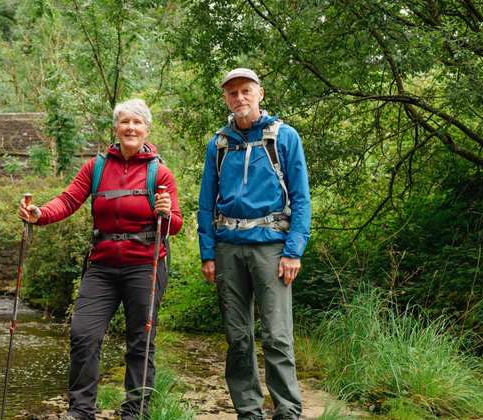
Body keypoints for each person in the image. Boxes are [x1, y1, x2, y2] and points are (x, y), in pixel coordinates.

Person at [19, 98, 182, 420]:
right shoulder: (96, 167)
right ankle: (81, 410)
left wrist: (165, 212)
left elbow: (174, 223)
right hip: (102, 266)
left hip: (145, 265)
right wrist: (39, 214)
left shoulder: (160, 173)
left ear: (146, 129)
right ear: (116, 127)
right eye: (125, 122)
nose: (130, 128)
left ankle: (134, 412)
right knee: (83, 334)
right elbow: (67, 201)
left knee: (141, 341)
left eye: (137, 123)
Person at [197, 68, 311, 420]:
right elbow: (205, 202)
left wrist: (294, 251)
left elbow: (301, 199)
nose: (240, 98)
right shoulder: (218, 143)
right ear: (226, 99)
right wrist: (207, 253)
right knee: (238, 337)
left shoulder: (284, 137)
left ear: (260, 93)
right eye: (233, 93)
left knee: (277, 336)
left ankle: (287, 411)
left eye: (246, 91)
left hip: (271, 248)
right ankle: (249, 411)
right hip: (228, 248)